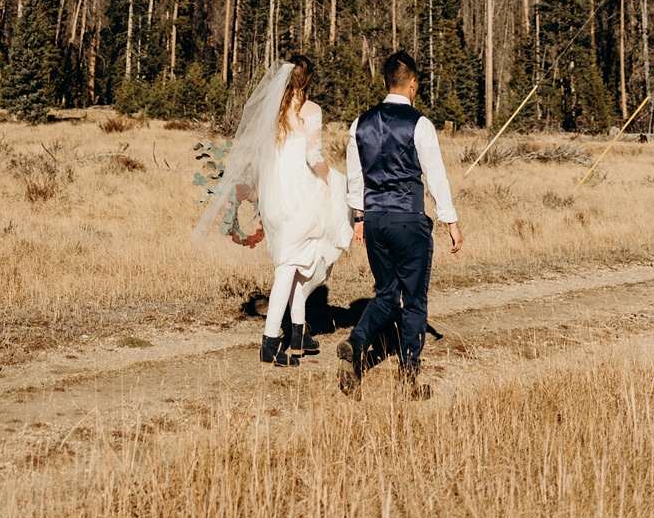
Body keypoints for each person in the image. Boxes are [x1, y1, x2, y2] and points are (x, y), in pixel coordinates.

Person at [194, 55, 351, 366]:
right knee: (289, 268)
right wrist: (332, 178)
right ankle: (269, 341)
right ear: (308, 81)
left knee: (291, 264)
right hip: (299, 197)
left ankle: (297, 333)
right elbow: (312, 155)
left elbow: (264, 158)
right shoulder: (310, 111)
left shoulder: (275, 112)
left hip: (275, 199)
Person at [339, 50, 462, 398]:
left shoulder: (359, 124)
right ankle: (409, 378)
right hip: (408, 219)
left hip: (375, 219)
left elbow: (355, 178)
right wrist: (449, 219)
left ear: (384, 82)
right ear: (413, 83)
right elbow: (434, 175)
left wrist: (359, 218)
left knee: (386, 294)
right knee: (414, 300)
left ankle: (357, 342)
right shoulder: (419, 124)